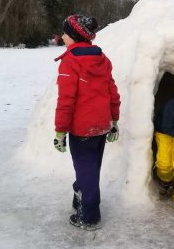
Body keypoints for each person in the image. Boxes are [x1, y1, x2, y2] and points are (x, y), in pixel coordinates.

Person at [53, 14, 120, 230]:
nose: (62, 37)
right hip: (101, 126)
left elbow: (66, 101)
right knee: (90, 168)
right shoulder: (102, 59)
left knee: (86, 169)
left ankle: (90, 217)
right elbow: (112, 92)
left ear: (73, 36)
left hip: (81, 129)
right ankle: (79, 192)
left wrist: (60, 131)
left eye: (65, 33)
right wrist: (114, 119)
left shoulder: (70, 62)